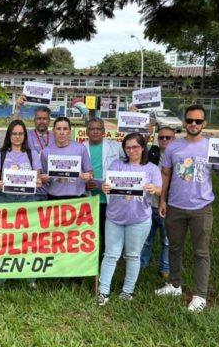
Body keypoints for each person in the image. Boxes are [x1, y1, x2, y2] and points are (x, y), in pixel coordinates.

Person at [155, 105, 219, 312]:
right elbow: (165, 175)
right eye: (190, 120)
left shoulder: (212, 147)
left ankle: (200, 296)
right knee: (174, 247)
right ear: (184, 122)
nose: (193, 124)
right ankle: (174, 285)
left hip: (201, 208)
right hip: (175, 206)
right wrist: (162, 200)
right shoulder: (173, 147)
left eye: (198, 121)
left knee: (201, 252)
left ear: (204, 123)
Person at [97, 133, 162, 306]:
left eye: (135, 147)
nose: (131, 150)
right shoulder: (117, 164)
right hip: (115, 218)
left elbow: (160, 190)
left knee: (133, 256)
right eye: (128, 147)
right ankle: (103, 292)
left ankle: (127, 291)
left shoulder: (152, 169)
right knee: (110, 255)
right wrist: (105, 186)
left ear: (142, 148)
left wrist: (154, 188)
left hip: (139, 219)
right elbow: (108, 184)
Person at [0, 120, 42, 294]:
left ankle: (30, 280)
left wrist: (37, 181)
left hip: (27, 201)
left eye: (20, 134)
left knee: (28, 240)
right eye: (14, 133)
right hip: (4, 200)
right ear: (9, 135)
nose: (17, 137)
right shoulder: (1, 154)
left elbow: (38, 179)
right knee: (3, 240)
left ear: (25, 136)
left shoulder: (32, 155)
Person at [83, 117, 124, 258]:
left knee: (107, 234)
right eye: (92, 129)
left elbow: (134, 157)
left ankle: (105, 261)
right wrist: (84, 183)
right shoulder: (80, 147)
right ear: (87, 131)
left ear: (104, 132)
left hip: (108, 201)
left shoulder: (115, 146)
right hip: (88, 200)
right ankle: (88, 262)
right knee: (87, 234)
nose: (95, 131)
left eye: (98, 129)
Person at [140, 127, 176, 280]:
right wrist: (146, 133)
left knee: (167, 240)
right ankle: (142, 265)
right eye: (161, 137)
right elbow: (137, 148)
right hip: (148, 205)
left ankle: (165, 268)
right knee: (146, 240)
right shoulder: (151, 153)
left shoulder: (179, 157)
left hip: (168, 206)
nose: (164, 140)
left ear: (174, 139)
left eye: (168, 138)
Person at [11, 95, 55, 201]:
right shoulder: (27, 134)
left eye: (44, 119)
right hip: (32, 188)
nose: (41, 121)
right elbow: (13, 126)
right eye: (39, 118)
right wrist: (17, 107)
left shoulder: (55, 137)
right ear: (34, 120)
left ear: (49, 120)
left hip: (53, 188)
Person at [41, 117, 93, 200]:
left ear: (69, 131)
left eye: (65, 129)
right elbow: (43, 177)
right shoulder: (46, 152)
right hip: (54, 197)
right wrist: (43, 179)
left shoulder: (80, 148)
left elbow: (90, 172)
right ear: (53, 131)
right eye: (58, 129)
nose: (62, 132)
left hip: (77, 197)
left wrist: (88, 176)